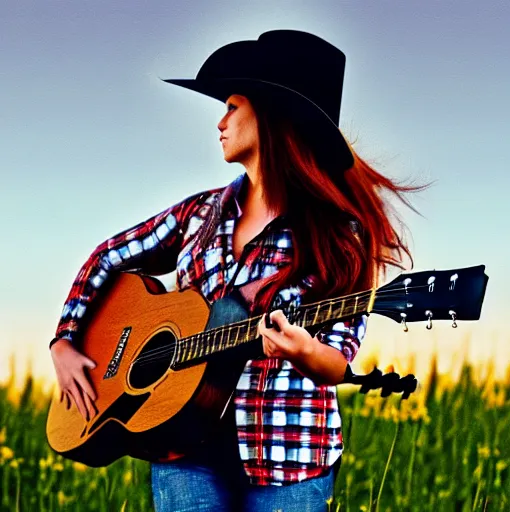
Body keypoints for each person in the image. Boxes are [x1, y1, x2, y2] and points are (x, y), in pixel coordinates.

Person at [49, 30, 422, 511]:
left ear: (270, 114)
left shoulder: (336, 237)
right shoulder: (198, 215)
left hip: (288, 457)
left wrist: (304, 350)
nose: (220, 122)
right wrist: (64, 339)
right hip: (181, 447)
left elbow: (337, 358)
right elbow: (108, 256)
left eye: (231, 106)